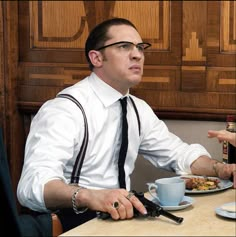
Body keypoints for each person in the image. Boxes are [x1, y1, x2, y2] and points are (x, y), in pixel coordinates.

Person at [17, 18, 236, 232]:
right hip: (72, 224)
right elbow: (32, 187)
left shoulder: (137, 108)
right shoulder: (65, 109)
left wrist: (222, 169)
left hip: (122, 222)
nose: (137, 54)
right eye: (124, 46)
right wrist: (90, 195)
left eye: (140, 47)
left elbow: (179, 154)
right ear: (96, 58)